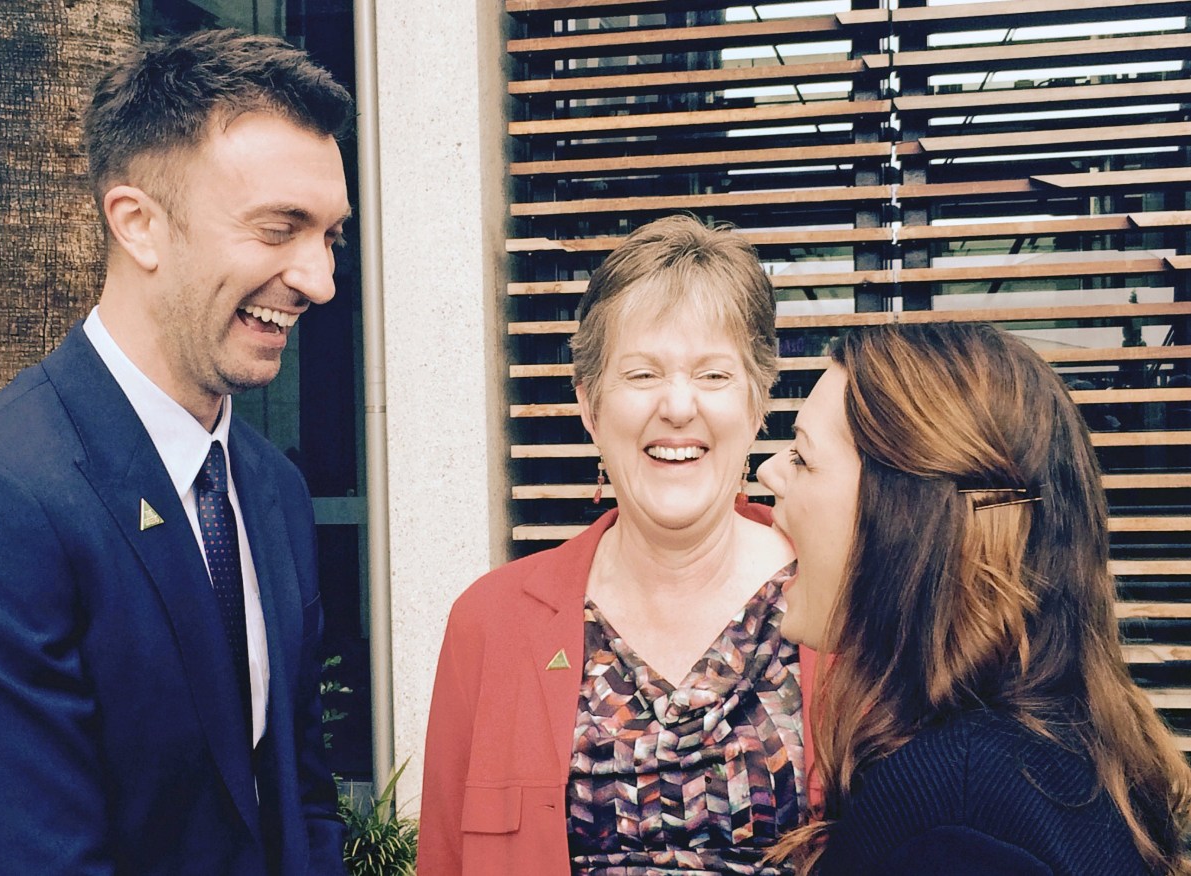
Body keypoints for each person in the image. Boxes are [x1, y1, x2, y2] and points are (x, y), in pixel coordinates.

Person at [0, 30, 354, 875]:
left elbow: (299, 798)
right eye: (281, 228)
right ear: (138, 224)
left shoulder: (270, 488)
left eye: (329, 237)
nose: (317, 278)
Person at [419, 215, 809, 875]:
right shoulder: (490, 623)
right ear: (589, 406)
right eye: (641, 374)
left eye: (712, 375)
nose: (678, 406)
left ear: (758, 399)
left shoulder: (839, 603)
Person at [756, 322, 1191, 875]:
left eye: (802, 456)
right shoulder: (1054, 755)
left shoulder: (956, 821)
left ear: (911, 520)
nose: (768, 471)